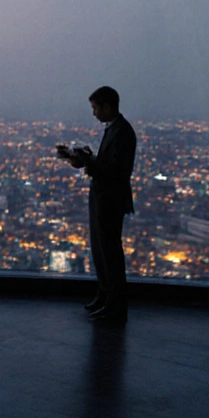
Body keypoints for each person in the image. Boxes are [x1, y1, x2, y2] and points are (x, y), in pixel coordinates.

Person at [56, 86, 137, 323]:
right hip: (104, 197)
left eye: (95, 108)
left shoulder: (121, 132)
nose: (94, 113)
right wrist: (84, 159)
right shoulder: (115, 129)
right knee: (101, 251)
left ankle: (115, 304)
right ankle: (105, 297)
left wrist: (88, 160)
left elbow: (115, 170)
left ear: (107, 106)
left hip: (110, 198)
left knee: (109, 252)